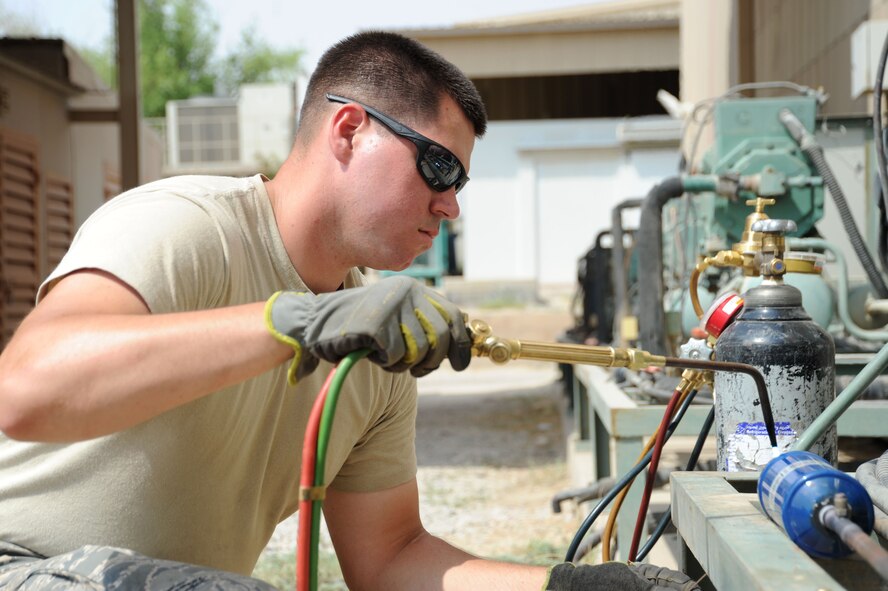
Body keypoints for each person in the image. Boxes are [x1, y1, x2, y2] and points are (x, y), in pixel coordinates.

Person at [0, 31, 698, 591]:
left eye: (460, 182)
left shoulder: (374, 342)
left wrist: (567, 584)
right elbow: (24, 389)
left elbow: (389, 558)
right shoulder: (184, 228)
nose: (451, 203)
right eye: (438, 168)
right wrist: (296, 323)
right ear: (348, 129)